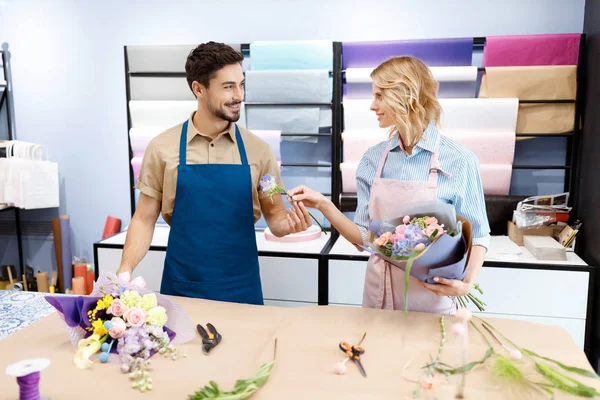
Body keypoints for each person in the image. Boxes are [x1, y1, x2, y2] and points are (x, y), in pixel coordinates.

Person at [288, 56, 491, 314]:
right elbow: (365, 239)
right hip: (378, 295)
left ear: (407, 95)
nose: (373, 106)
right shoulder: (373, 159)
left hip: (429, 298)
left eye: (380, 95)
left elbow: (480, 234)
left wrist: (466, 283)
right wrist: (324, 205)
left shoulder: (460, 160)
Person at [116, 42, 312, 305]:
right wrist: (125, 269)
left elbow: (275, 217)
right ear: (199, 88)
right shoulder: (162, 148)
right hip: (182, 285)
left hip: (241, 286)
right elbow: (144, 218)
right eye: (228, 86)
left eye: (241, 84)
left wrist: (290, 225)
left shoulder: (259, 151)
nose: (239, 95)